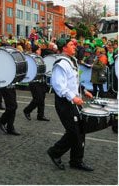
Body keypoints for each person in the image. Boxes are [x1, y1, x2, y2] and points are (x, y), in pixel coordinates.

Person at [47, 37, 94, 171]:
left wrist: (84, 90)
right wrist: (73, 98)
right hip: (65, 103)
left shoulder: (71, 61)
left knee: (80, 130)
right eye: (70, 44)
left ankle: (76, 160)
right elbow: (58, 86)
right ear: (64, 48)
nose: (74, 46)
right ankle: (55, 152)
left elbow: (73, 81)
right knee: (74, 132)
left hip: (73, 101)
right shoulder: (61, 64)